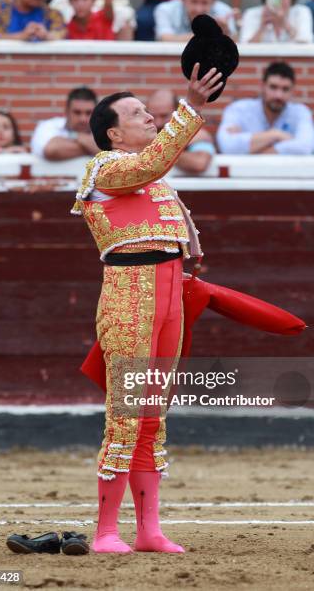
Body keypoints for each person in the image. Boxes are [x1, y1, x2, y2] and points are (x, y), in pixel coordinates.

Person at [71, 64, 223, 553]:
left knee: (153, 413)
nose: (150, 117)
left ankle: (150, 531)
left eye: (148, 111)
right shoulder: (105, 168)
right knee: (127, 412)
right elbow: (149, 164)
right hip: (128, 295)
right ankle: (106, 532)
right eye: (138, 113)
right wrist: (191, 107)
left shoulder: (159, 185)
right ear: (113, 133)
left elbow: (179, 234)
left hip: (168, 293)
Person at [216, 61, 314, 155]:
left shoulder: (301, 112)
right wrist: (276, 135)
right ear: (262, 86)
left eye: (285, 89)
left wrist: (253, 150)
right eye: (273, 87)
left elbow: (306, 147)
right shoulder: (239, 110)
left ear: (293, 91)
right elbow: (227, 146)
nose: (278, 95)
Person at [147, 89, 217, 175]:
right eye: (153, 116)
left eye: (164, 116)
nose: (158, 122)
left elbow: (199, 163)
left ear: (177, 112)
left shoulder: (195, 134)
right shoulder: (142, 132)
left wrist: (159, 150)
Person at [154, 0, 237, 41]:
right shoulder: (165, 10)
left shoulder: (225, 11)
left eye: (204, 2)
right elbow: (166, 39)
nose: (199, 9)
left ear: (214, 1)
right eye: (194, 1)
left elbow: (235, 46)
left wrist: (226, 32)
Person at [52, 0, 135, 40]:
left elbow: (108, 4)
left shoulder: (104, 18)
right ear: (70, 1)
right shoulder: (66, 30)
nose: (80, 4)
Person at [31, 87, 99, 160]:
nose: (83, 119)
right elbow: (52, 150)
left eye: (88, 113)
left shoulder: (104, 129)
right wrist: (94, 147)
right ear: (66, 111)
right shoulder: (48, 126)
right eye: (77, 112)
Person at [240, 0, 314, 43]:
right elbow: (244, 48)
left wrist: (285, 24)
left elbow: (307, 42)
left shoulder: (302, 12)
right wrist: (262, 28)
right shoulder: (252, 14)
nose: (278, 2)